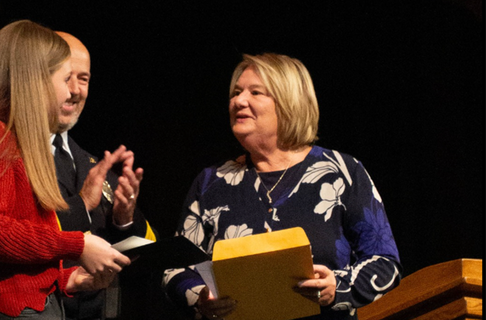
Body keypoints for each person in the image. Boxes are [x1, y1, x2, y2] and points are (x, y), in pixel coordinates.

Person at [163, 53, 401, 320]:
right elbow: (175, 269)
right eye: (236, 92)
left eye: (255, 92)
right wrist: (199, 297)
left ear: (289, 103)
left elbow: (385, 263)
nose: (238, 101)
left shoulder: (342, 172)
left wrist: (338, 287)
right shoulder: (211, 182)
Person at [0, 20, 131, 320]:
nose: (72, 91)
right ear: (34, 80)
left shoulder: (12, 143)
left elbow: (16, 258)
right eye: (64, 79)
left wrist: (70, 279)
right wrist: (79, 243)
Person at [51, 31, 156, 320]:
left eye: (83, 79)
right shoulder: (14, 156)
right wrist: (81, 203)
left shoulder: (91, 163)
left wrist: (124, 218)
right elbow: (15, 236)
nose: (75, 90)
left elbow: (144, 245)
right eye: (66, 77)